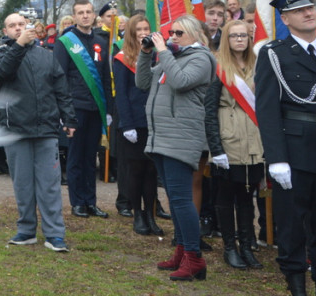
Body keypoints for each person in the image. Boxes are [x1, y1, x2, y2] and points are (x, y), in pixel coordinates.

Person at [254, 0, 316, 296]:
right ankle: (296, 284)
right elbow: (268, 109)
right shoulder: (274, 55)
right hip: (294, 152)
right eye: (300, 10)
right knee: (291, 225)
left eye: (310, 7)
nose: (309, 12)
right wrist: (277, 158)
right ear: (285, 19)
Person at [0, 13, 77, 252]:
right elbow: (1, 73)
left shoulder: (46, 56)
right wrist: (18, 46)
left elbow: (61, 89)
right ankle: (26, 230)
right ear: (5, 31)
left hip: (46, 129)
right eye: (12, 26)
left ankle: (55, 234)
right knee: (23, 184)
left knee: (49, 184)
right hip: (15, 129)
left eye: (21, 24)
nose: (18, 28)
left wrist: (69, 118)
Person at [137, 14, 214, 282]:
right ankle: (182, 251)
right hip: (161, 137)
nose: (172, 37)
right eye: (171, 33)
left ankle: (195, 259)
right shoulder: (172, 57)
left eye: (178, 33)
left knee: (181, 200)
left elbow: (181, 82)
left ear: (195, 35)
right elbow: (143, 83)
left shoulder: (201, 58)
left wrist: (162, 51)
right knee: (174, 198)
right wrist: (146, 54)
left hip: (181, 137)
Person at [205, 18, 264, 270]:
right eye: (234, 35)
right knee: (227, 196)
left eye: (244, 35)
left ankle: (246, 245)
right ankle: (230, 247)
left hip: (254, 141)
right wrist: (216, 148)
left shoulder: (258, 65)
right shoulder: (218, 67)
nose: (240, 39)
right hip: (229, 141)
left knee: (247, 196)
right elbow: (209, 111)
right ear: (226, 39)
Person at [54, 0, 112, 219]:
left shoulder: (101, 41)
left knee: (91, 157)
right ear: (74, 16)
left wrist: (109, 110)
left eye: (88, 12)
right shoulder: (65, 42)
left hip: (96, 107)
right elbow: (59, 78)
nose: (85, 16)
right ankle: (78, 202)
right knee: (76, 157)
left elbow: (106, 77)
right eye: (81, 12)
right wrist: (64, 112)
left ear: (94, 15)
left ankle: (91, 202)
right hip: (75, 107)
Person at [113, 14, 162, 236]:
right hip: (133, 122)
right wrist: (127, 124)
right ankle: (138, 215)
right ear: (131, 33)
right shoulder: (122, 58)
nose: (143, 32)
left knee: (152, 171)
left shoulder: (157, 56)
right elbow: (121, 94)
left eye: (146, 28)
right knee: (135, 170)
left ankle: (150, 213)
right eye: (138, 29)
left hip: (153, 120)